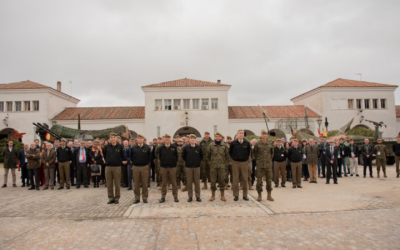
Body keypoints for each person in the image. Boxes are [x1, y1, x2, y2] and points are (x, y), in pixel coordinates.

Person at [103, 133, 126, 204]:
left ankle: (117, 198)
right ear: (110, 139)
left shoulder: (120, 146)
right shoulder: (106, 147)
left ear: (116, 138)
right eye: (111, 137)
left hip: (117, 167)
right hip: (108, 167)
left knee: (117, 183)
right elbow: (104, 155)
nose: (113, 139)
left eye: (114, 137)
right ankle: (110, 198)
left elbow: (123, 156)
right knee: (109, 184)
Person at [229, 129, 251, 201]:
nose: (241, 134)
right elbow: (230, 152)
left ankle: (245, 195)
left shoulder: (247, 143)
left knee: (245, 179)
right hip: (236, 162)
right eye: (240, 133)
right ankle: (236, 195)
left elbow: (248, 152)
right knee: (235, 179)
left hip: (244, 162)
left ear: (243, 135)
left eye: (242, 133)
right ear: (237, 134)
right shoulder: (233, 143)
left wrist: (245, 158)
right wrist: (234, 158)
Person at [208, 132, 229, 202]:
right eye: (216, 136)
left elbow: (227, 156)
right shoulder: (211, 145)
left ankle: (222, 195)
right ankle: (212, 195)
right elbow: (208, 156)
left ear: (221, 137)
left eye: (219, 136)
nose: (217, 137)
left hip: (221, 166)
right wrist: (210, 163)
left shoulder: (224, 146)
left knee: (222, 180)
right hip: (213, 166)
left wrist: (224, 164)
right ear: (214, 137)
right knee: (213, 181)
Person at [254, 129, 274, 201]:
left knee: (269, 180)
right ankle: (259, 195)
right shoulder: (257, 144)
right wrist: (259, 160)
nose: (264, 135)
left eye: (265, 134)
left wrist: (268, 160)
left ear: (267, 135)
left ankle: (269, 195)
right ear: (261, 135)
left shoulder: (270, 143)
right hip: (260, 165)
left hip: (268, 165)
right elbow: (255, 154)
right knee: (259, 180)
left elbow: (272, 153)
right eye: (263, 134)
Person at [158, 134, 179, 203]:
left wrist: (173, 163)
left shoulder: (174, 147)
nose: (167, 139)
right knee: (164, 183)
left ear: (170, 139)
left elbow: (176, 157)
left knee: (174, 183)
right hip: (164, 167)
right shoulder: (161, 148)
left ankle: (175, 196)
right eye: (166, 138)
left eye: (168, 138)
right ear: (164, 139)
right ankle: (163, 197)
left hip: (172, 167)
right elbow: (160, 157)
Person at [131, 134, 151, 204]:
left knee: (144, 183)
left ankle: (145, 198)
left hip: (144, 167)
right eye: (138, 138)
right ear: (137, 140)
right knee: (136, 184)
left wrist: (146, 163)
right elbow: (131, 157)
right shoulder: (134, 148)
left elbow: (149, 157)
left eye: (141, 138)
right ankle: (137, 198)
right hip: (136, 167)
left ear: (143, 139)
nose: (139, 140)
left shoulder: (147, 147)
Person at [182, 134, 203, 202]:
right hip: (189, 167)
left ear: (195, 140)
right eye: (191, 139)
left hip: (196, 167)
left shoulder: (198, 148)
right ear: (189, 140)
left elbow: (201, 157)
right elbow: (183, 156)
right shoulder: (186, 148)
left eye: (194, 139)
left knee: (197, 183)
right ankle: (190, 196)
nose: (192, 140)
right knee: (189, 182)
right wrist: (188, 162)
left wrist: (197, 162)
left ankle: (198, 196)